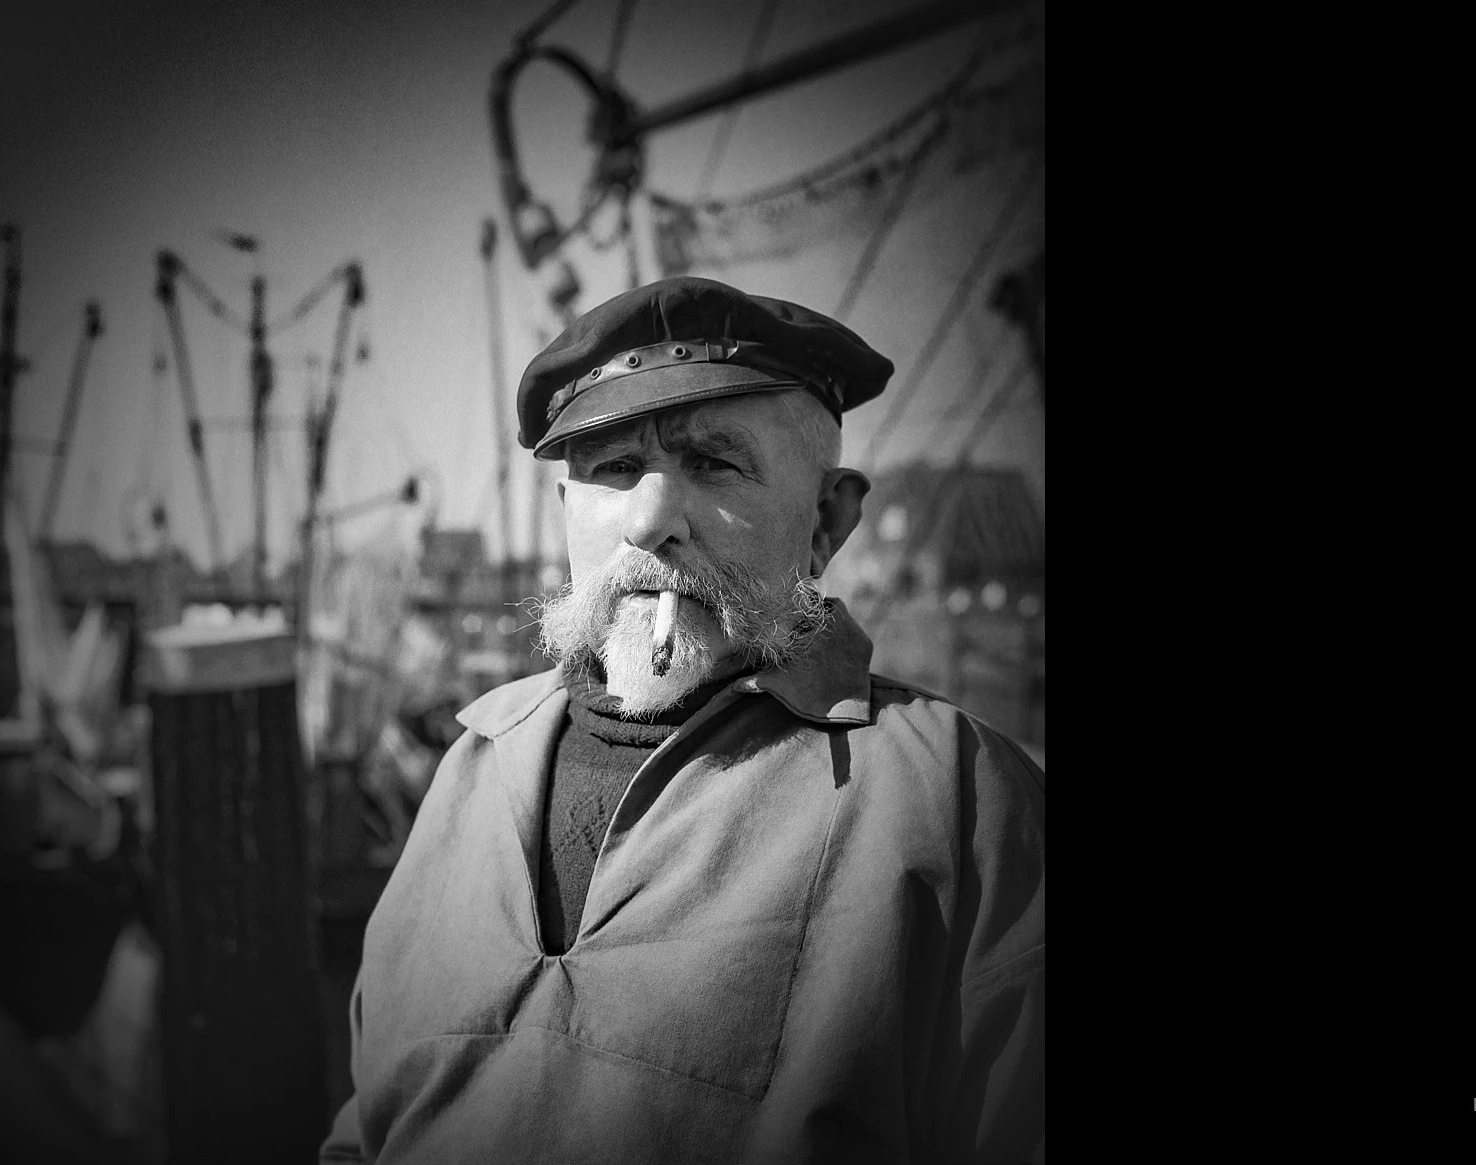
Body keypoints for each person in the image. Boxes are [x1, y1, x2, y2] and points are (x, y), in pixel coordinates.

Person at [318, 277, 1044, 1164]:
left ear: (826, 521)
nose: (649, 520)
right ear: (565, 514)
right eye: (614, 469)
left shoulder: (964, 802)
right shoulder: (472, 763)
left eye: (714, 463)